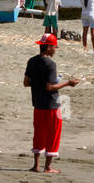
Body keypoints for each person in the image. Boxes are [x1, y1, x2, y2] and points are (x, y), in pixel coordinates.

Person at [24, 34, 79, 174]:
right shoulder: (50, 64)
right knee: (53, 135)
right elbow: (50, 88)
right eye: (54, 47)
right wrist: (68, 83)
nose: (55, 50)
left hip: (37, 104)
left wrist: (37, 84)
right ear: (48, 48)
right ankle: (47, 167)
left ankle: (36, 165)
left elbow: (26, 83)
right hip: (51, 104)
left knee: (39, 134)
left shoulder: (32, 61)